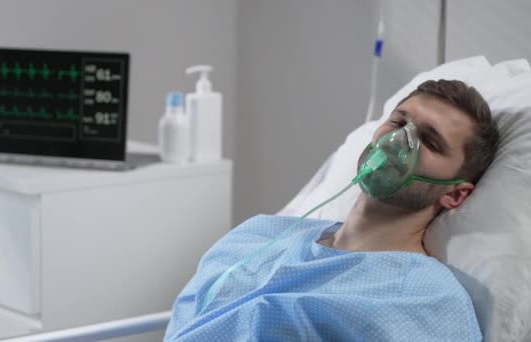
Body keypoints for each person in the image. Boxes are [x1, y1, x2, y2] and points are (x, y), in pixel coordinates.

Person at [164, 80, 499, 341]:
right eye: (399, 121)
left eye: (429, 141)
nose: (397, 141)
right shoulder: (259, 234)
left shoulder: (427, 300)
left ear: (455, 194)